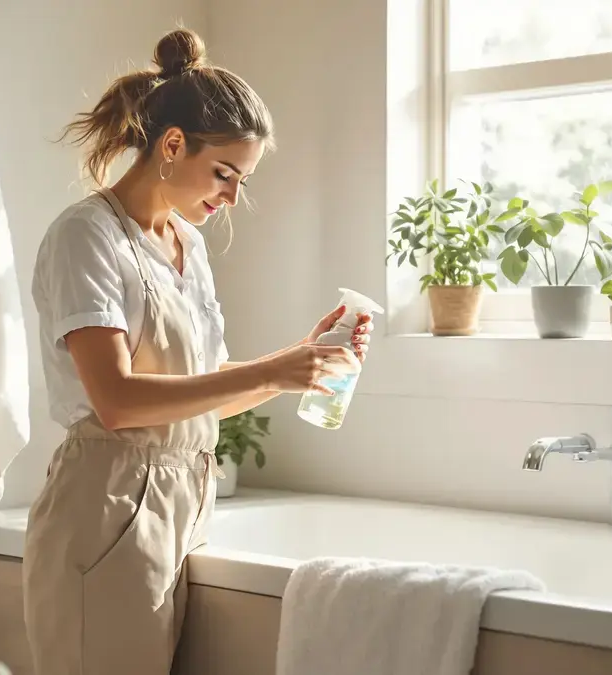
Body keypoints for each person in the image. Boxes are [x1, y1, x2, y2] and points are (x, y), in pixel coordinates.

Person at [22, 27, 373, 675]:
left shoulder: (189, 244)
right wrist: (275, 369)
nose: (233, 196)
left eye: (243, 179)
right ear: (172, 145)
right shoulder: (87, 236)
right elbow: (118, 401)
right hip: (108, 509)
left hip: (186, 503)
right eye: (224, 173)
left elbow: (200, 389)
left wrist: (299, 362)